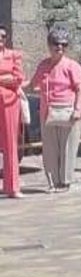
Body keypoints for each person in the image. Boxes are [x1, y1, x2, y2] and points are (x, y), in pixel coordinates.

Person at [29, 25, 81, 192]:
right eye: (56, 43)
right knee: (50, 148)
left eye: (63, 44)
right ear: (49, 45)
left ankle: (65, 181)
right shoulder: (43, 65)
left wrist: (78, 108)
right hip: (48, 111)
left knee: (68, 147)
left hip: (69, 111)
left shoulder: (72, 66)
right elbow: (32, 85)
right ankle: (52, 182)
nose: (59, 47)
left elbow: (80, 87)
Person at [0, 24, 24, 199]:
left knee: (10, 144)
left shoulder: (13, 55)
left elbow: (18, 78)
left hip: (9, 102)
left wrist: (10, 80)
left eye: (3, 36)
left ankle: (12, 186)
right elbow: (10, 78)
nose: (0, 39)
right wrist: (4, 79)